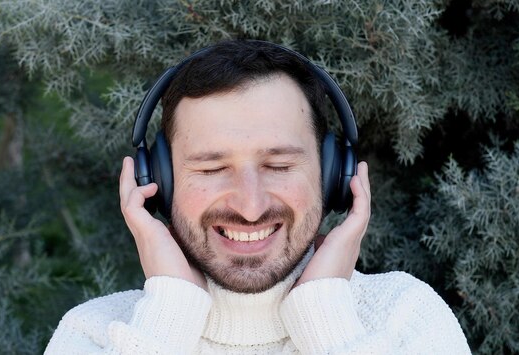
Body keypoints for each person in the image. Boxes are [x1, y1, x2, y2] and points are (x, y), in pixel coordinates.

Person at [45, 40, 471, 354]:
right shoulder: (91, 335)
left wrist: (325, 315)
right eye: (212, 169)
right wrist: (169, 313)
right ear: (156, 177)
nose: (250, 206)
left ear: (331, 175)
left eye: (280, 166)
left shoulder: (405, 317)